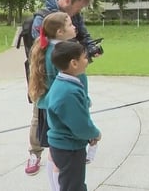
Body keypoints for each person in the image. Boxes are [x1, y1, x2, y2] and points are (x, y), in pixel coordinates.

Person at [25, 0, 96, 175]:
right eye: (77, 9)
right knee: (42, 123)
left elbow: (83, 35)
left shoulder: (66, 27)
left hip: (56, 96)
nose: (76, 18)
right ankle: (34, 153)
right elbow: (40, 42)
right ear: (66, 1)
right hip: (49, 91)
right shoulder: (47, 22)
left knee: (55, 147)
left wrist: (88, 49)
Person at [28, 12, 77, 189]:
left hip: (49, 106)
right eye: (70, 24)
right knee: (58, 155)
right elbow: (63, 84)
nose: (74, 27)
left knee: (54, 154)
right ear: (59, 32)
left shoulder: (49, 48)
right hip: (57, 109)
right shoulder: (57, 53)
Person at [46, 41, 101, 191]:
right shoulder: (69, 91)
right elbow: (80, 125)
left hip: (62, 146)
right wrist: (95, 133)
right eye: (84, 57)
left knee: (71, 184)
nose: (87, 60)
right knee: (74, 186)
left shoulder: (62, 83)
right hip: (69, 148)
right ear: (74, 63)